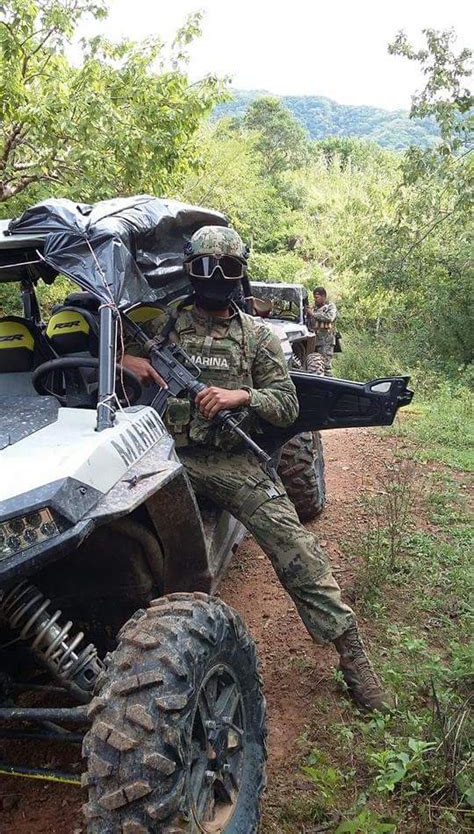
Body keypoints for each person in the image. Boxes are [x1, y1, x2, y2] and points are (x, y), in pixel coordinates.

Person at [122, 226, 391, 712]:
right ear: (191, 270)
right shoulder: (162, 325)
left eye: (227, 270)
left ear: (240, 274)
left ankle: (353, 659)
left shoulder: (257, 336)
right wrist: (129, 362)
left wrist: (239, 395)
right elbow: (103, 361)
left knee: (297, 548)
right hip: (166, 459)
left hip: (234, 461)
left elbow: (287, 403)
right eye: (206, 268)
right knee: (149, 556)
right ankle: (153, 666)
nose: (216, 279)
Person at [306, 287, 337, 376]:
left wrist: (312, 314)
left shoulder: (330, 307)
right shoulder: (314, 308)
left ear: (324, 296)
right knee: (314, 366)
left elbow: (329, 318)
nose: (315, 300)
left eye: (317, 297)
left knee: (326, 367)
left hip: (325, 342)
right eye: (314, 297)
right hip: (314, 341)